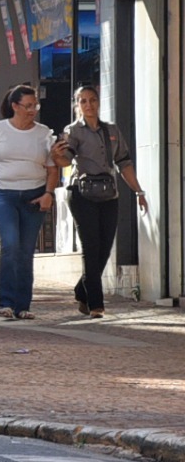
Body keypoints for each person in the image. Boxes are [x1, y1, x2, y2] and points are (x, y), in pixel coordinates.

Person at [0, 83, 59, 320]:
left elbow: (52, 169)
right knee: (10, 245)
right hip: (3, 194)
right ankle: (6, 302)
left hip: (34, 196)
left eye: (35, 106)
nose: (32, 111)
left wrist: (48, 194)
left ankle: (23, 305)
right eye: (27, 106)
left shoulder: (43, 133)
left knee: (26, 250)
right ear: (15, 106)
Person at [61, 84, 148, 319]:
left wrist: (139, 191)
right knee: (91, 247)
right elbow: (65, 160)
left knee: (105, 248)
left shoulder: (111, 130)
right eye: (83, 101)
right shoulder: (73, 131)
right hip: (82, 194)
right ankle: (95, 304)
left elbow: (124, 163)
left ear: (99, 102)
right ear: (77, 105)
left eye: (92, 100)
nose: (88, 105)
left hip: (109, 194)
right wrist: (56, 155)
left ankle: (81, 291)